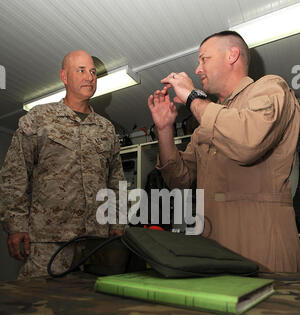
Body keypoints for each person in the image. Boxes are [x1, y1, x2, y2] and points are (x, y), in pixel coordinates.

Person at [148, 31, 300, 273]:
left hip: (262, 250)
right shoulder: (208, 120)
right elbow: (178, 181)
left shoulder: (271, 87)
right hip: (214, 250)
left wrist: (192, 97)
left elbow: (247, 142)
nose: (197, 70)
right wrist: (164, 130)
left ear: (232, 55)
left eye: (204, 59)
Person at [0, 50, 125, 279]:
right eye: (81, 70)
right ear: (64, 77)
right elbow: (14, 175)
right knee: (39, 305)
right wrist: (16, 225)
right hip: (49, 240)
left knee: (92, 307)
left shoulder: (107, 129)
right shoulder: (39, 119)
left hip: (95, 243)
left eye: (93, 72)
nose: (89, 76)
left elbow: (116, 181)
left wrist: (118, 223)